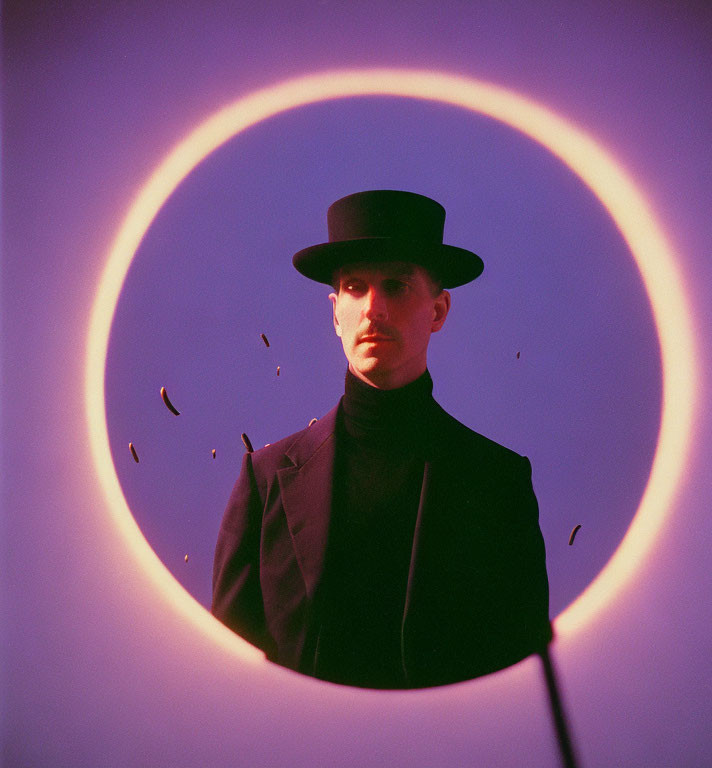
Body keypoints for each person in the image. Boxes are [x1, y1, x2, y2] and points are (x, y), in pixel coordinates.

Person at [212, 190, 551, 689]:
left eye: (395, 285)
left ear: (438, 312)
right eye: (354, 287)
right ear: (335, 313)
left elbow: (521, 680)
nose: (373, 309)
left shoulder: (499, 481)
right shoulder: (263, 481)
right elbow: (225, 684)